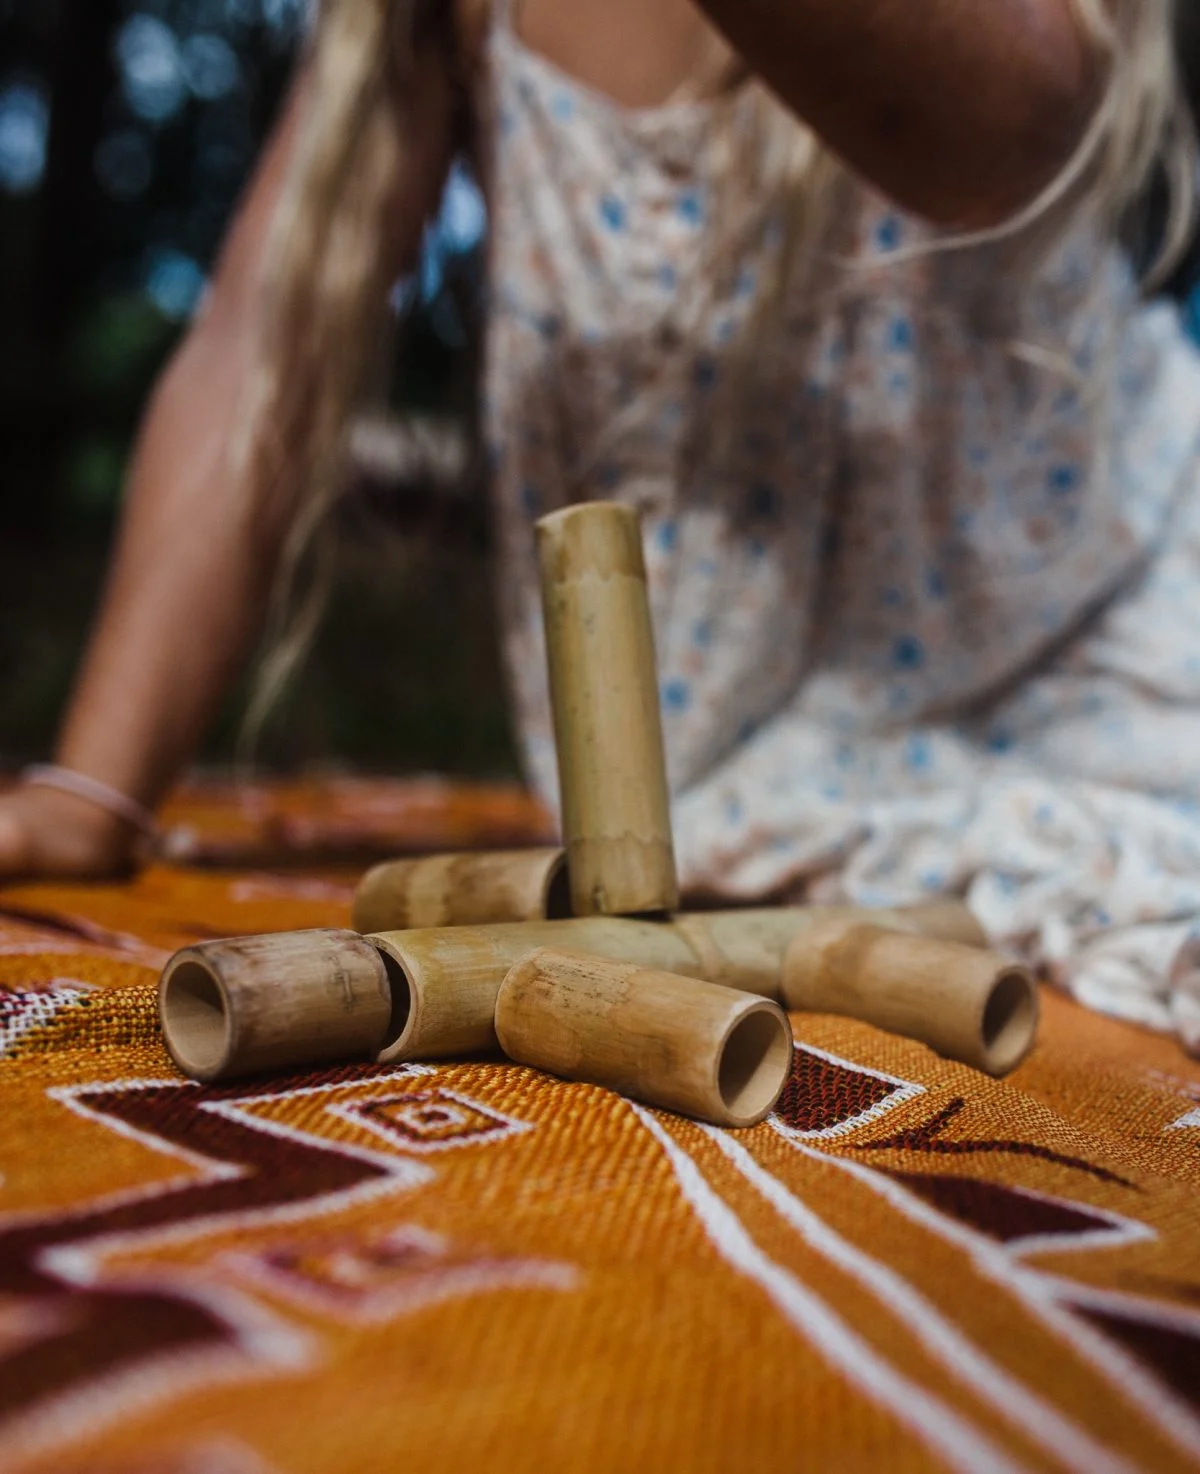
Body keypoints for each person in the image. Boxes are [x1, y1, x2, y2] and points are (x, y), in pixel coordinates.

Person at [4, 0, 1200, 1051]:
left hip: (1106, 665)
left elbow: (1007, 127)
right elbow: (261, 340)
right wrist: (92, 787)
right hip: (725, 798)